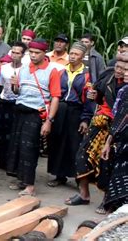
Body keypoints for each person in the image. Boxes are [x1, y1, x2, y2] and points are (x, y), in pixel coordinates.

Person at [65, 53, 127, 213]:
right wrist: (94, 96)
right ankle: (84, 195)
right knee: (82, 156)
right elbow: (98, 97)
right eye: (119, 67)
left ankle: (107, 200)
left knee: (108, 164)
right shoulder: (108, 77)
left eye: (125, 69)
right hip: (100, 123)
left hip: (119, 129)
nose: (121, 71)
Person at [6, 39, 61, 197]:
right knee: (16, 147)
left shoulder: (52, 71)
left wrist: (48, 121)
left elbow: (55, 98)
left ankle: (30, 186)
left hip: (36, 114)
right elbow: (18, 92)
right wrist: (15, 86)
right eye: (31, 53)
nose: (34, 56)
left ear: (45, 54)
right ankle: (22, 180)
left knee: (29, 149)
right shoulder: (23, 69)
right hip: (20, 111)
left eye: (37, 53)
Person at [46, 42, 95, 187]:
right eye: (72, 54)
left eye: (76, 54)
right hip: (60, 110)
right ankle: (58, 175)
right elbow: (53, 93)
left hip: (76, 111)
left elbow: (89, 100)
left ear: (82, 57)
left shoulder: (87, 76)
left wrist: (85, 119)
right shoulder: (61, 71)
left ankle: (79, 178)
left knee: (75, 144)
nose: (73, 57)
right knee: (57, 141)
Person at [0, 41, 27, 170]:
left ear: (23, 55)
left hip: (18, 104)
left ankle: (13, 164)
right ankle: (1, 161)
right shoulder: (4, 68)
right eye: (13, 52)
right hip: (4, 102)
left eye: (18, 53)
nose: (15, 55)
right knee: (1, 133)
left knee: (15, 134)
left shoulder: (26, 69)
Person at [101, 53, 127, 212]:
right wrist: (109, 142)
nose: (126, 73)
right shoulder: (123, 91)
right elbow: (119, 119)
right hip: (122, 142)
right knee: (116, 174)